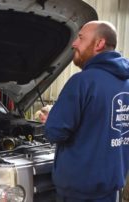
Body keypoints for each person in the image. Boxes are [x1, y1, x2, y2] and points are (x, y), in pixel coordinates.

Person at [45, 20, 129, 202]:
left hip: (78, 193)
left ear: (99, 44)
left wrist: (51, 118)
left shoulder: (82, 82)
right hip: (112, 188)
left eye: (81, 38)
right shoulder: (126, 83)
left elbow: (55, 132)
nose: (74, 43)